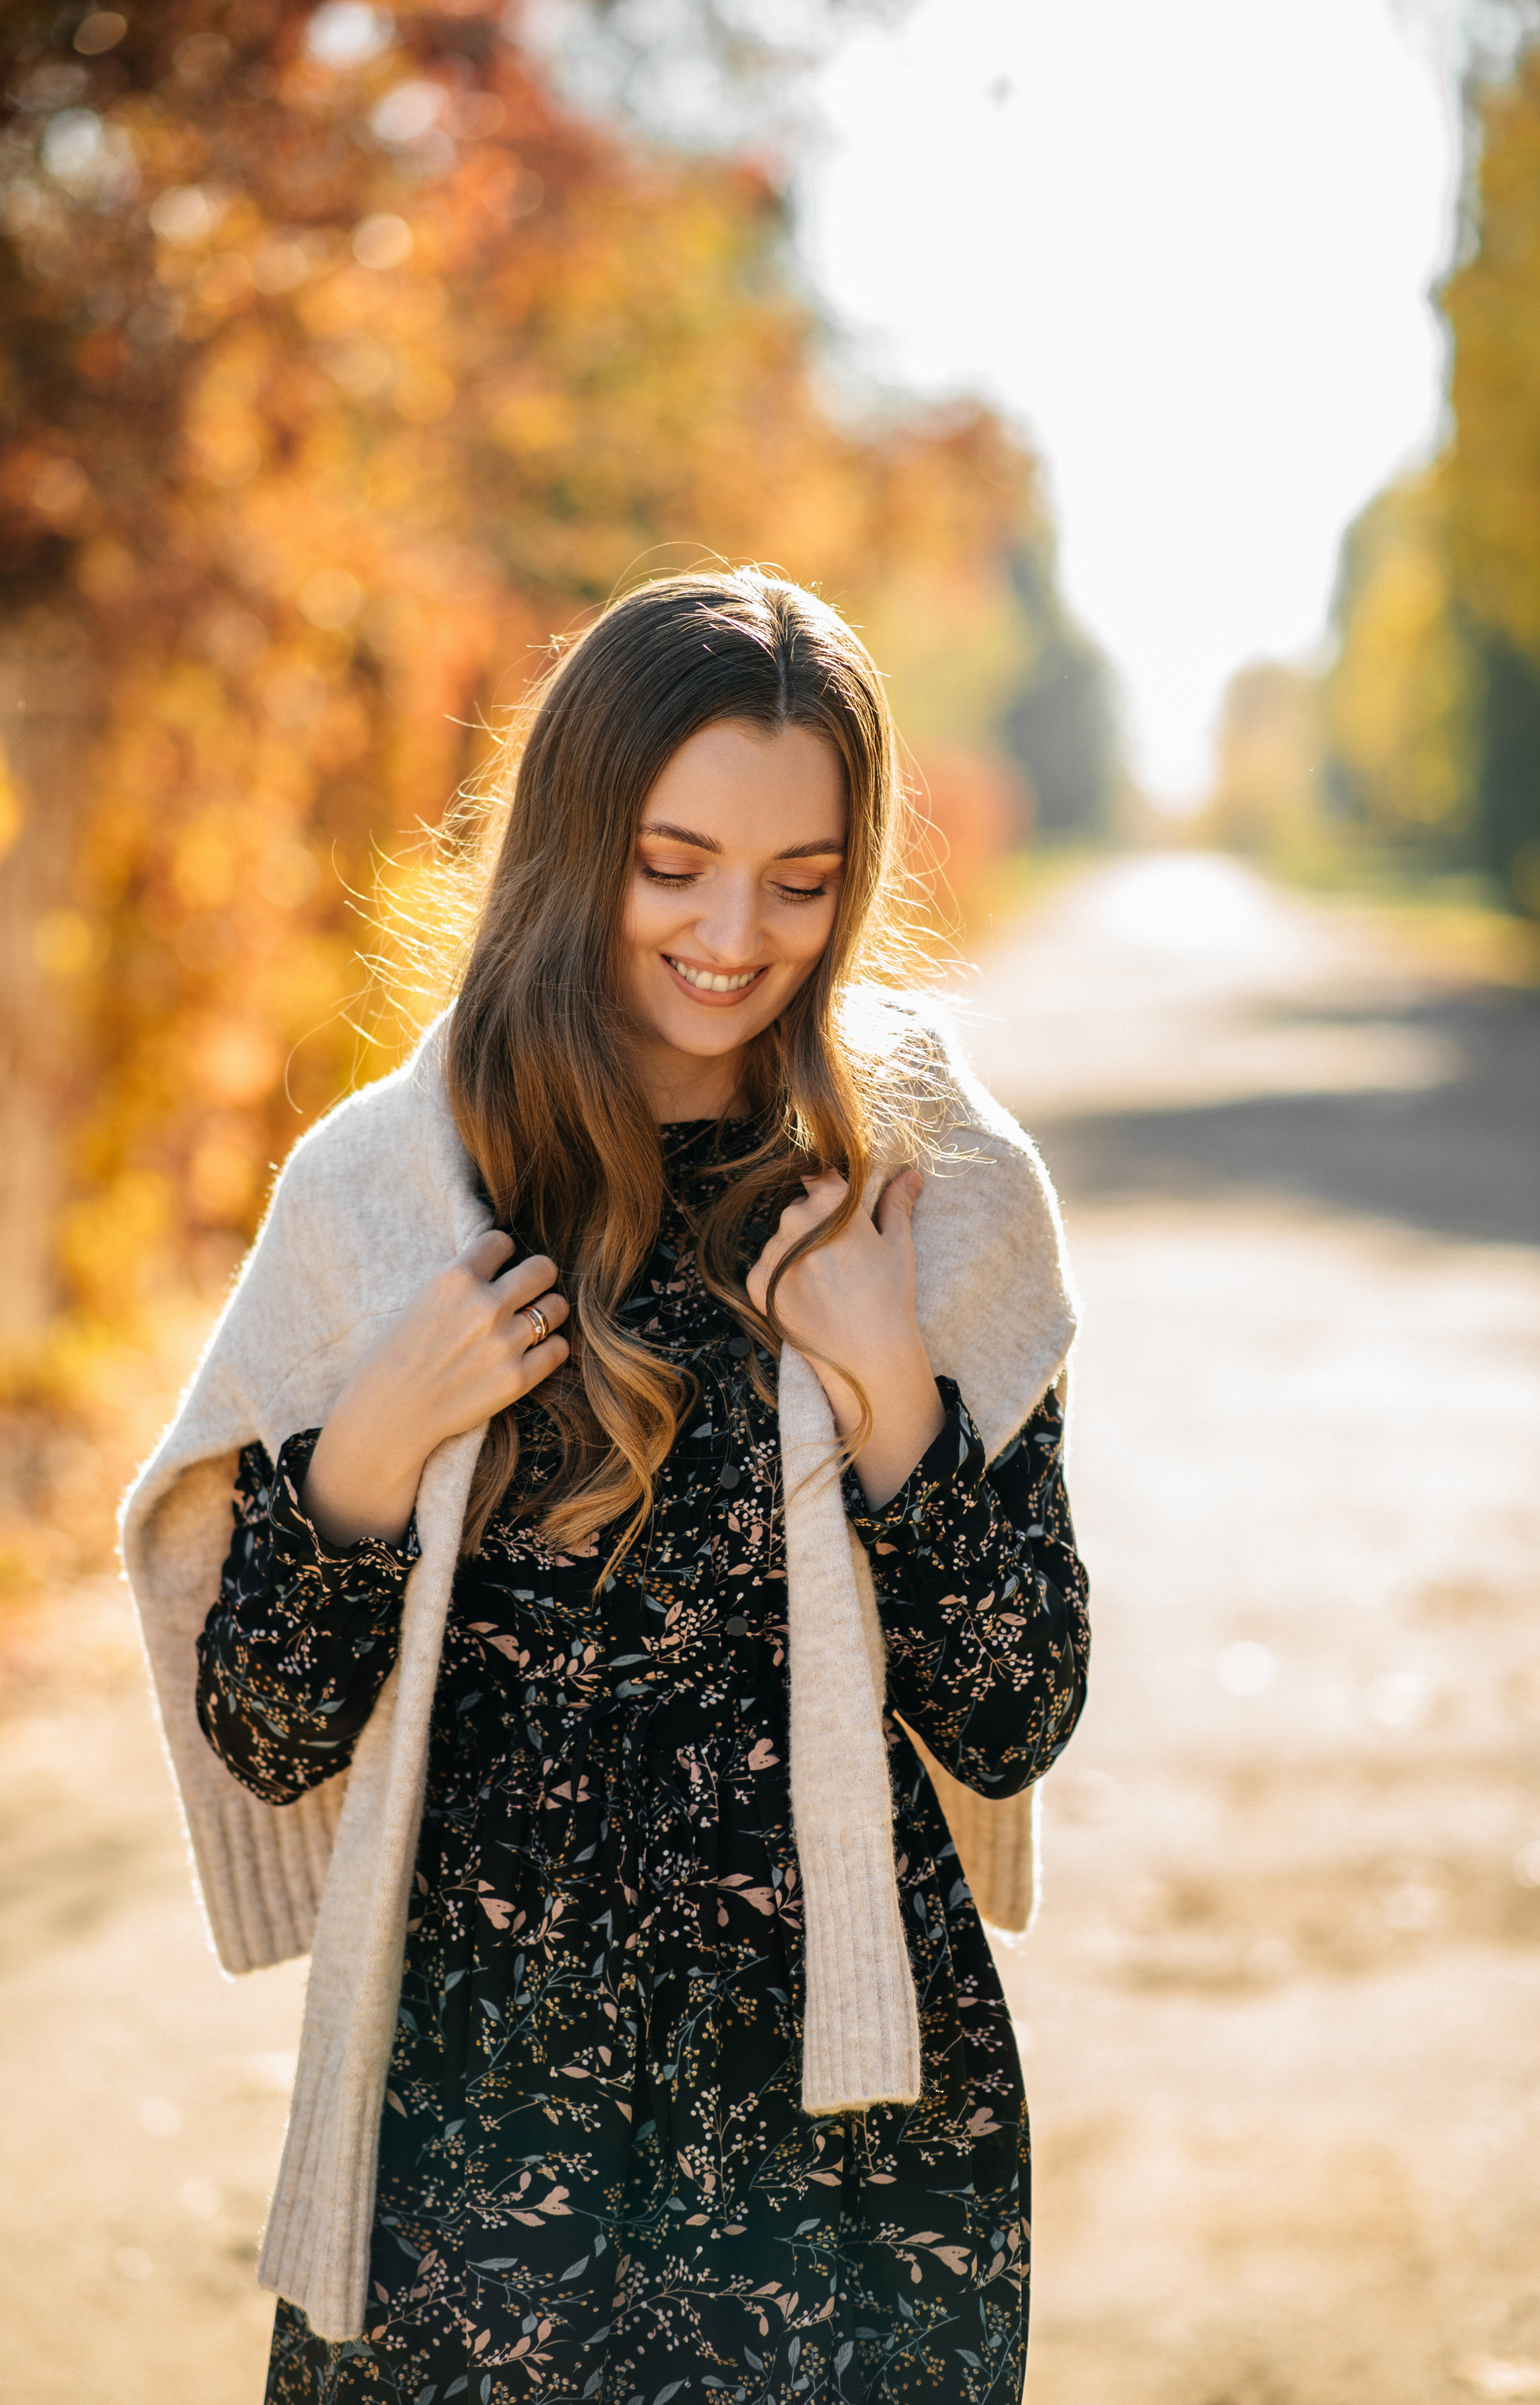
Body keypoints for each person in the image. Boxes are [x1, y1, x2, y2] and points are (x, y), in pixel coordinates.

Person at [123, 568, 1090, 2405]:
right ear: (576, 842)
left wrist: (892, 1389)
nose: (738, 935)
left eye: (804, 881)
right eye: (676, 863)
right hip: (476, 2176)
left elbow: (1013, 1713)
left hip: (853, 2173)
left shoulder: (922, 1175)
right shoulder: (390, 1194)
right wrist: (367, 1453)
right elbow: (264, 1733)